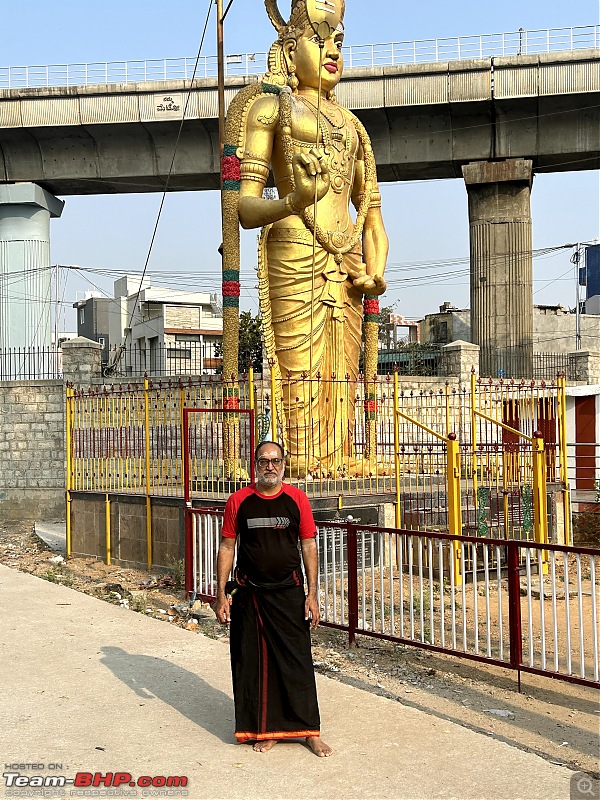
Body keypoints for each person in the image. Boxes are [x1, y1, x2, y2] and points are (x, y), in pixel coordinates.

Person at [223, 0, 388, 476]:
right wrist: (292, 203)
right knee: (300, 366)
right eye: (320, 41)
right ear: (290, 52)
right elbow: (245, 208)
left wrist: (376, 271)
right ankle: (299, 460)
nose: (332, 51)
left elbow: (372, 215)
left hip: (347, 257)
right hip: (294, 243)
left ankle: (337, 457)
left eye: (338, 42)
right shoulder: (270, 109)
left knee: (342, 368)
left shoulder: (354, 127)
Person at [214, 440, 332, 757]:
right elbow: (227, 547)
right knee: (252, 662)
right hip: (249, 592)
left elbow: (308, 546)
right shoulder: (239, 501)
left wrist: (312, 594)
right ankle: (265, 730)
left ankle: (308, 731)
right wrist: (221, 593)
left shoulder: (297, 500)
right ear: (255, 464)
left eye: (275, 460)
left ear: (284, 464)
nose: (270, 466)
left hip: (288, 591)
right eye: (264, 460)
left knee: (297, 662)